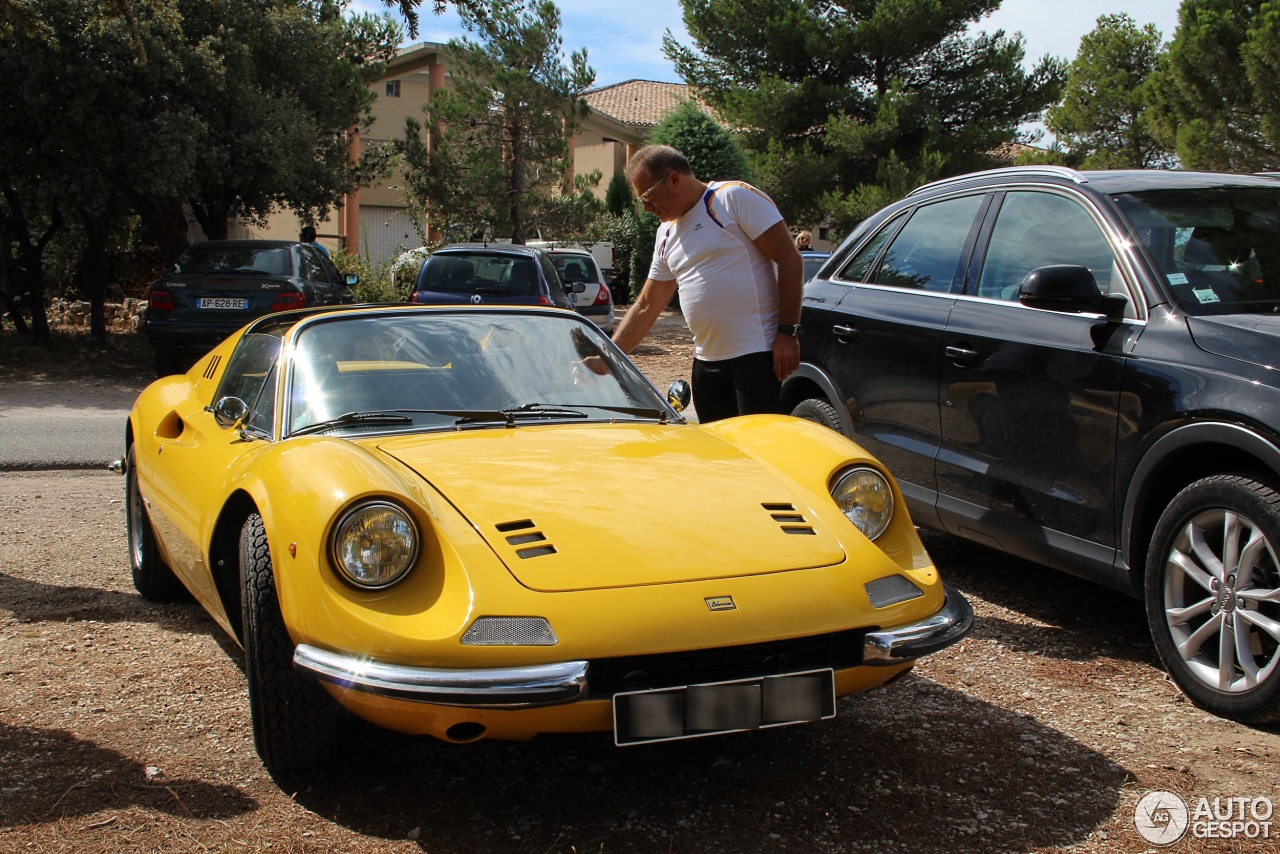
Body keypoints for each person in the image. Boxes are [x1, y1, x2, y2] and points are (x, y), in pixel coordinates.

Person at [610, 145, 803, 423]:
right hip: (706, 365)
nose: (646, 207)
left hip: (755, 357)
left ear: (674, 179)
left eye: (648, 196)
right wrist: (610, 355)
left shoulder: (731, 198)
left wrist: (787, 333)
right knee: (717, 459)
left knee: (758, 455)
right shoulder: (665, 233)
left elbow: (790, 260)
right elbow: (647, 305)